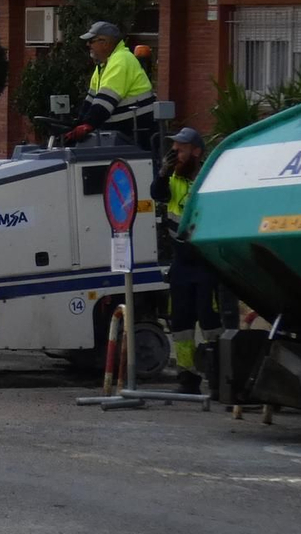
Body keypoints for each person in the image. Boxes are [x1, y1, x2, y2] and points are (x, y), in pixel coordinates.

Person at [152, 126, 221, 394]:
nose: (175, 152)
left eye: (181, 148)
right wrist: (163, 172)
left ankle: (219, 378)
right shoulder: (174, 179)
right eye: (174, 148)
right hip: (181, 262)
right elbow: (157, 193)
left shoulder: (208, 178)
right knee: (180, 323)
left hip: (205, 261)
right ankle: (187, 379)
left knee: (210, 321)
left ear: (197, 151)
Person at [65, 21, 157, 145]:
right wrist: (78, 124)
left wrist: (87, 125)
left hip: (136, 137)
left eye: (91, 41)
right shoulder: (103, 66)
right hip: (119, 136)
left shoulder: (121, 60)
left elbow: (104, 103)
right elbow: (90, 102)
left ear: (105, 43)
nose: (88, 45)